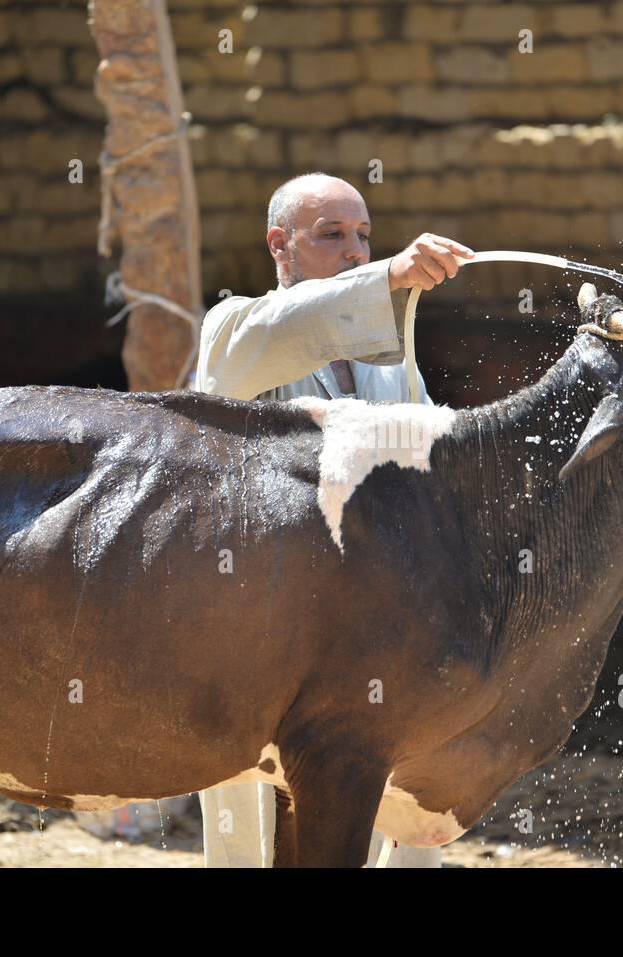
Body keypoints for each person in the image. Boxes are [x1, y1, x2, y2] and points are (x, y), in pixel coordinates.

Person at [194, 171, 473, 866]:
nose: (355, 251)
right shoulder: (234, 329)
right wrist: (388, 277)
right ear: (279, 247)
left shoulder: (392, 358)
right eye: (332, 235)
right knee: (245, 818)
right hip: (255, 613)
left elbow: (438, 455)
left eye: (364, 237)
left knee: (406, 781)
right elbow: (293, 327)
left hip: (365, 613)